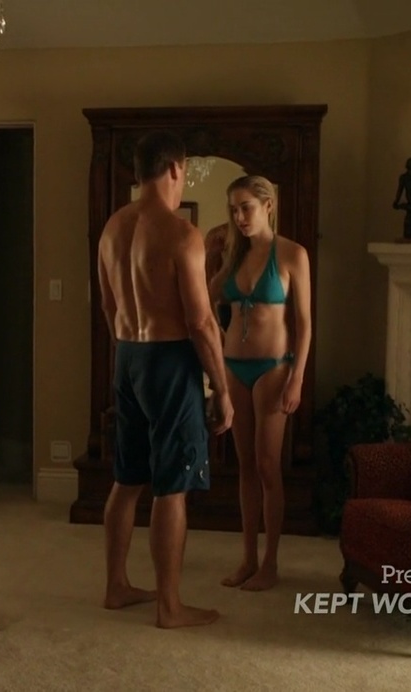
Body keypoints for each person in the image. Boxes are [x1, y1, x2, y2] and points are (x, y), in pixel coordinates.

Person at [98, 130, 234, 628]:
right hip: (170, 360)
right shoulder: (181, 234)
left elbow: (109, 306)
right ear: (176, 168)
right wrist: (222, 389)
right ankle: (170, 606)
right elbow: (200, 322)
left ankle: (116, 586)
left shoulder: (113, 228)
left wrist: (129, 358)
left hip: (128, 355)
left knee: (127, 479)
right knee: (171, 486)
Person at [208, 175, 312, 592]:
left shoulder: (292, 254)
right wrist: (210, 255)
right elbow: (205, 300)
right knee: (245, 466)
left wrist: (297, 378)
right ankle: (248, 558)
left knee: (268, 465)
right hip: (234, 367)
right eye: (233, 209)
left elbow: (304, 324)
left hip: (274, 369)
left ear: (268, 205)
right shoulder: (234, 255)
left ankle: (270, 562)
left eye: (246, 207)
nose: (239, 217)